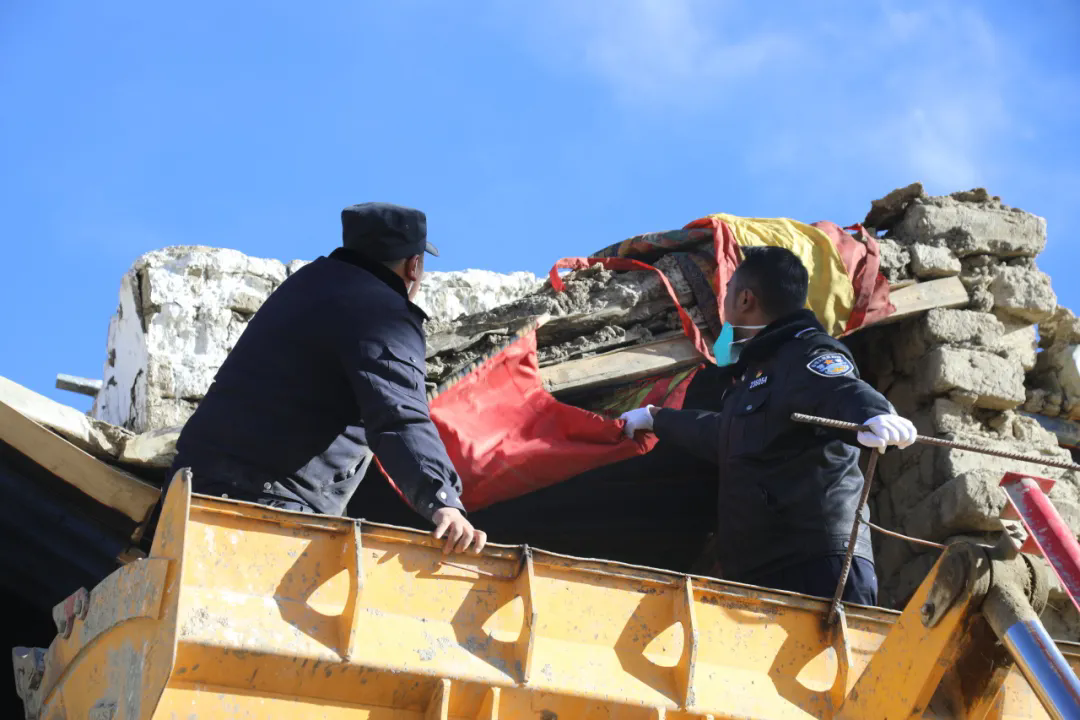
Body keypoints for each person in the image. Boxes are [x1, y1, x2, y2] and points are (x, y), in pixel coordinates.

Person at [170, 202, 485, 554]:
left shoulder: (302, 287)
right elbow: (399, 415)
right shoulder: (382, 312)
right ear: (414, 266)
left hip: (187, 495)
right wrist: (443, 500)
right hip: (267, 506)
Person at [619, 246, 916, 604]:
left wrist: (874, 414)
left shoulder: (804, 352)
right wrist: (657, 418)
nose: (724, 304)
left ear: (745, 299)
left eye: (727, 292)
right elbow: (725, 435)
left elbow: (839, 388)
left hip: (816, 563)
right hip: (757, 572)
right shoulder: (755, 372)